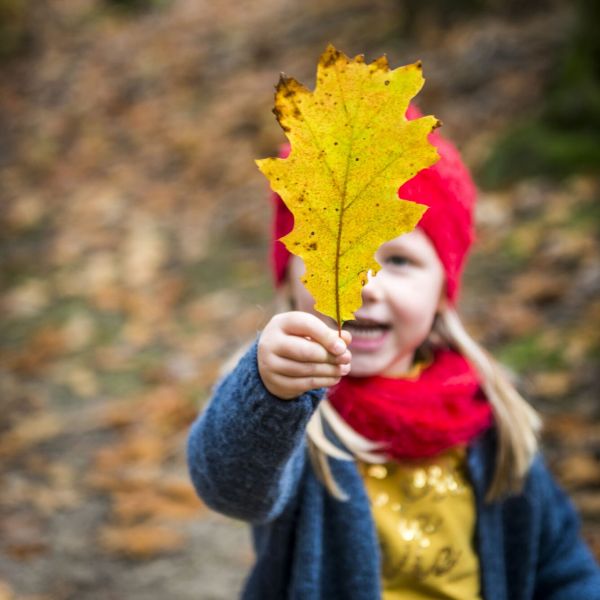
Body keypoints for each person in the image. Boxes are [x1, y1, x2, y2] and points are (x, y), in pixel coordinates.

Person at [186, 106, 600, 599]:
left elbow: (560, 564)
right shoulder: (284, 404)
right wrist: (268, 393)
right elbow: (231, 486)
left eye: (399, 260)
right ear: (289, 273)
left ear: (444, 288)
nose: (365, 284)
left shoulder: (487, 413)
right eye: (333, 252)